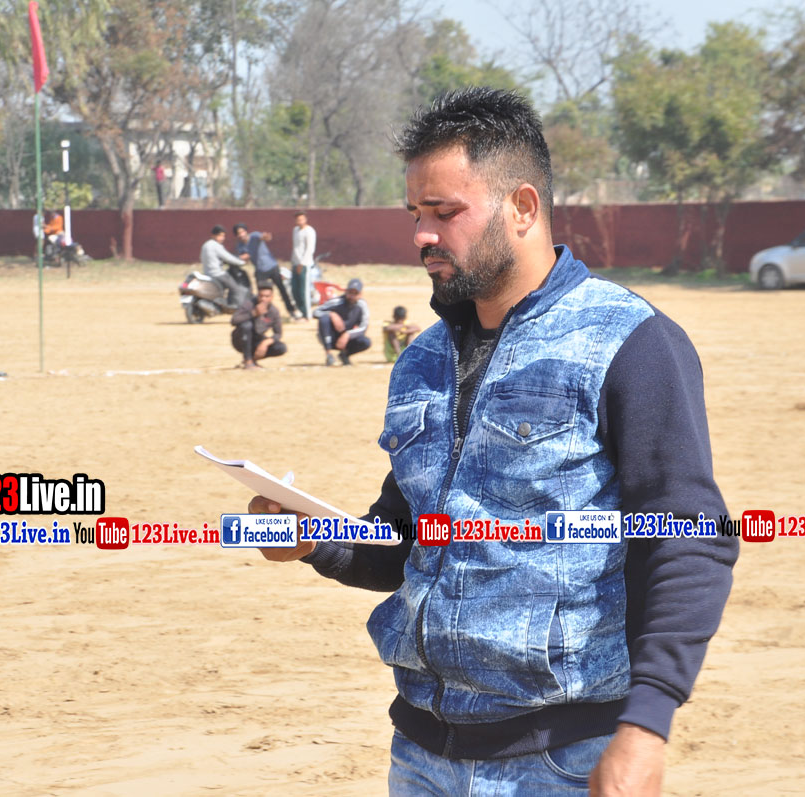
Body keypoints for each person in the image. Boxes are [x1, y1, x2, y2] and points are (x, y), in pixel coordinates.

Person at [247, 88, 737, 796]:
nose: (422, 235)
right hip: (421, 756)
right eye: (415, 215)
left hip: (564, 760)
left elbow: (690, 538)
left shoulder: (629, 342)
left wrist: (646, 726)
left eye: (444, 212)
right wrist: (314, 541)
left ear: (523, 207)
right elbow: (409, 540)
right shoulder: (421, 359)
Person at [233, 223, 298, 320]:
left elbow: (264, 237)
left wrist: (266, 236)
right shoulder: (240, 245)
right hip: (260, 271)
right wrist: (236, 258)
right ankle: (262, 314)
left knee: (282, 290)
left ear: (246, 231)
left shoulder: (254, 236)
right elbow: (245, 258)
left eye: (242, 231)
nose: (241, 234)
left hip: (272, 267)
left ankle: (292, 312)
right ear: (237, 235)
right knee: (261, 295)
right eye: (239, 233)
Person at [313, 278, 371, 365]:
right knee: (324, 318)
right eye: (350, 292)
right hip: (331, 336)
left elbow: (363, 327)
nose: (352, 296)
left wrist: (348, 334)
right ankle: (329, 355)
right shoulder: (336, 302)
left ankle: (344, 355)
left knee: (365, 342)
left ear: (360, 294)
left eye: (355, 293)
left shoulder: (362, 305)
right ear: (346, 291)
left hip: (348, 338)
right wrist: (332, 314)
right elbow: (315, 312)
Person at [230, 282, 286, 369]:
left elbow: (278, 333)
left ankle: (251, 359)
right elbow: (234, 320)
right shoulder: (249, 304)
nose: (263, 299)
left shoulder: (274, 311)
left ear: (272, 297)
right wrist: (253, 313)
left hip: (257, 339)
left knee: (280, 347)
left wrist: (265, 343)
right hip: (241, 338)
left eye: (267, 296)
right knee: (246, 325)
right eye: (261, 296)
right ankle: (248, 361)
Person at [200, 225, 250, 309]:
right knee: (235, 288)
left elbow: (202, 258)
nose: (222, 238)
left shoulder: (205, 245)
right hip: (217, 274)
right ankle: (233, 306)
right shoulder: (216, 245)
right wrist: (241, 263)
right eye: (220, 235)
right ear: (213, 235)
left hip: (207, 273)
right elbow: (228, 257)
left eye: (223, 236)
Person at [291, 210, 317, 321]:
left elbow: (310, 249)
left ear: (305, 219)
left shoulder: (309, 231)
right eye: (298, 219)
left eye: (301, 219)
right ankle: (300, 312)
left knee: (303, 291)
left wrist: (302, 263)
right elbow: (296, 248)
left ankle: (307, 315)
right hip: (295, 263)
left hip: (304, 265)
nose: (300, 221)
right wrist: (294, 262)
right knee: (295, 290)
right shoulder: (295, 230)